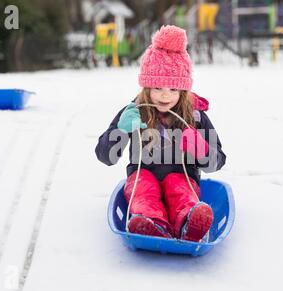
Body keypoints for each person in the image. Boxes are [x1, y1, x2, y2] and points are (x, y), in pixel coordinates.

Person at [95, 25, 226, 242]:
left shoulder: (195, 117)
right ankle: (150, 222)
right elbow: (105, 156)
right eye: (158, 88)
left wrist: (199, 147)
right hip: (143, 175)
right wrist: (121, 131)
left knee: (179, 188)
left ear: (183, 90)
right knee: (144, 190)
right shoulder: (134, 112)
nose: (165, 96)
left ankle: (189, 223)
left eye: (173, 89)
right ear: (146, 87)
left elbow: (217, 162)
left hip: (182, 177)